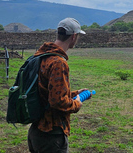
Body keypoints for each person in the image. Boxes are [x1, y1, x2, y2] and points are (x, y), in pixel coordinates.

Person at [28, 17, 89, 153]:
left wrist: (75, 93)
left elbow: (48, 91)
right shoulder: (58, 62)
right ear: (73, 37)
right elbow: (57, 101)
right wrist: (77, 103)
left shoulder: (41, 55)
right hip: (51, 133)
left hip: (37, 129)